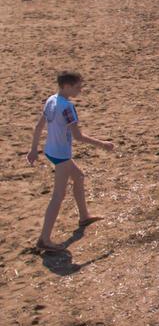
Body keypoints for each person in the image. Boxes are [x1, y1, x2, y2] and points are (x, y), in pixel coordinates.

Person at [27, 71, 114, 252]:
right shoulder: (67, 107)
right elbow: (78, 136)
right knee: (57, 197)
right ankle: (44, 239)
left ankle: (84, 216)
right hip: (61, 155)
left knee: (79, 176)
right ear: (66, 86)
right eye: (77, 87)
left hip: (51, 150)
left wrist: (34, 149)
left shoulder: (51, 100)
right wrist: (103, 144)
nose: (80, 90)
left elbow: (38, 126)